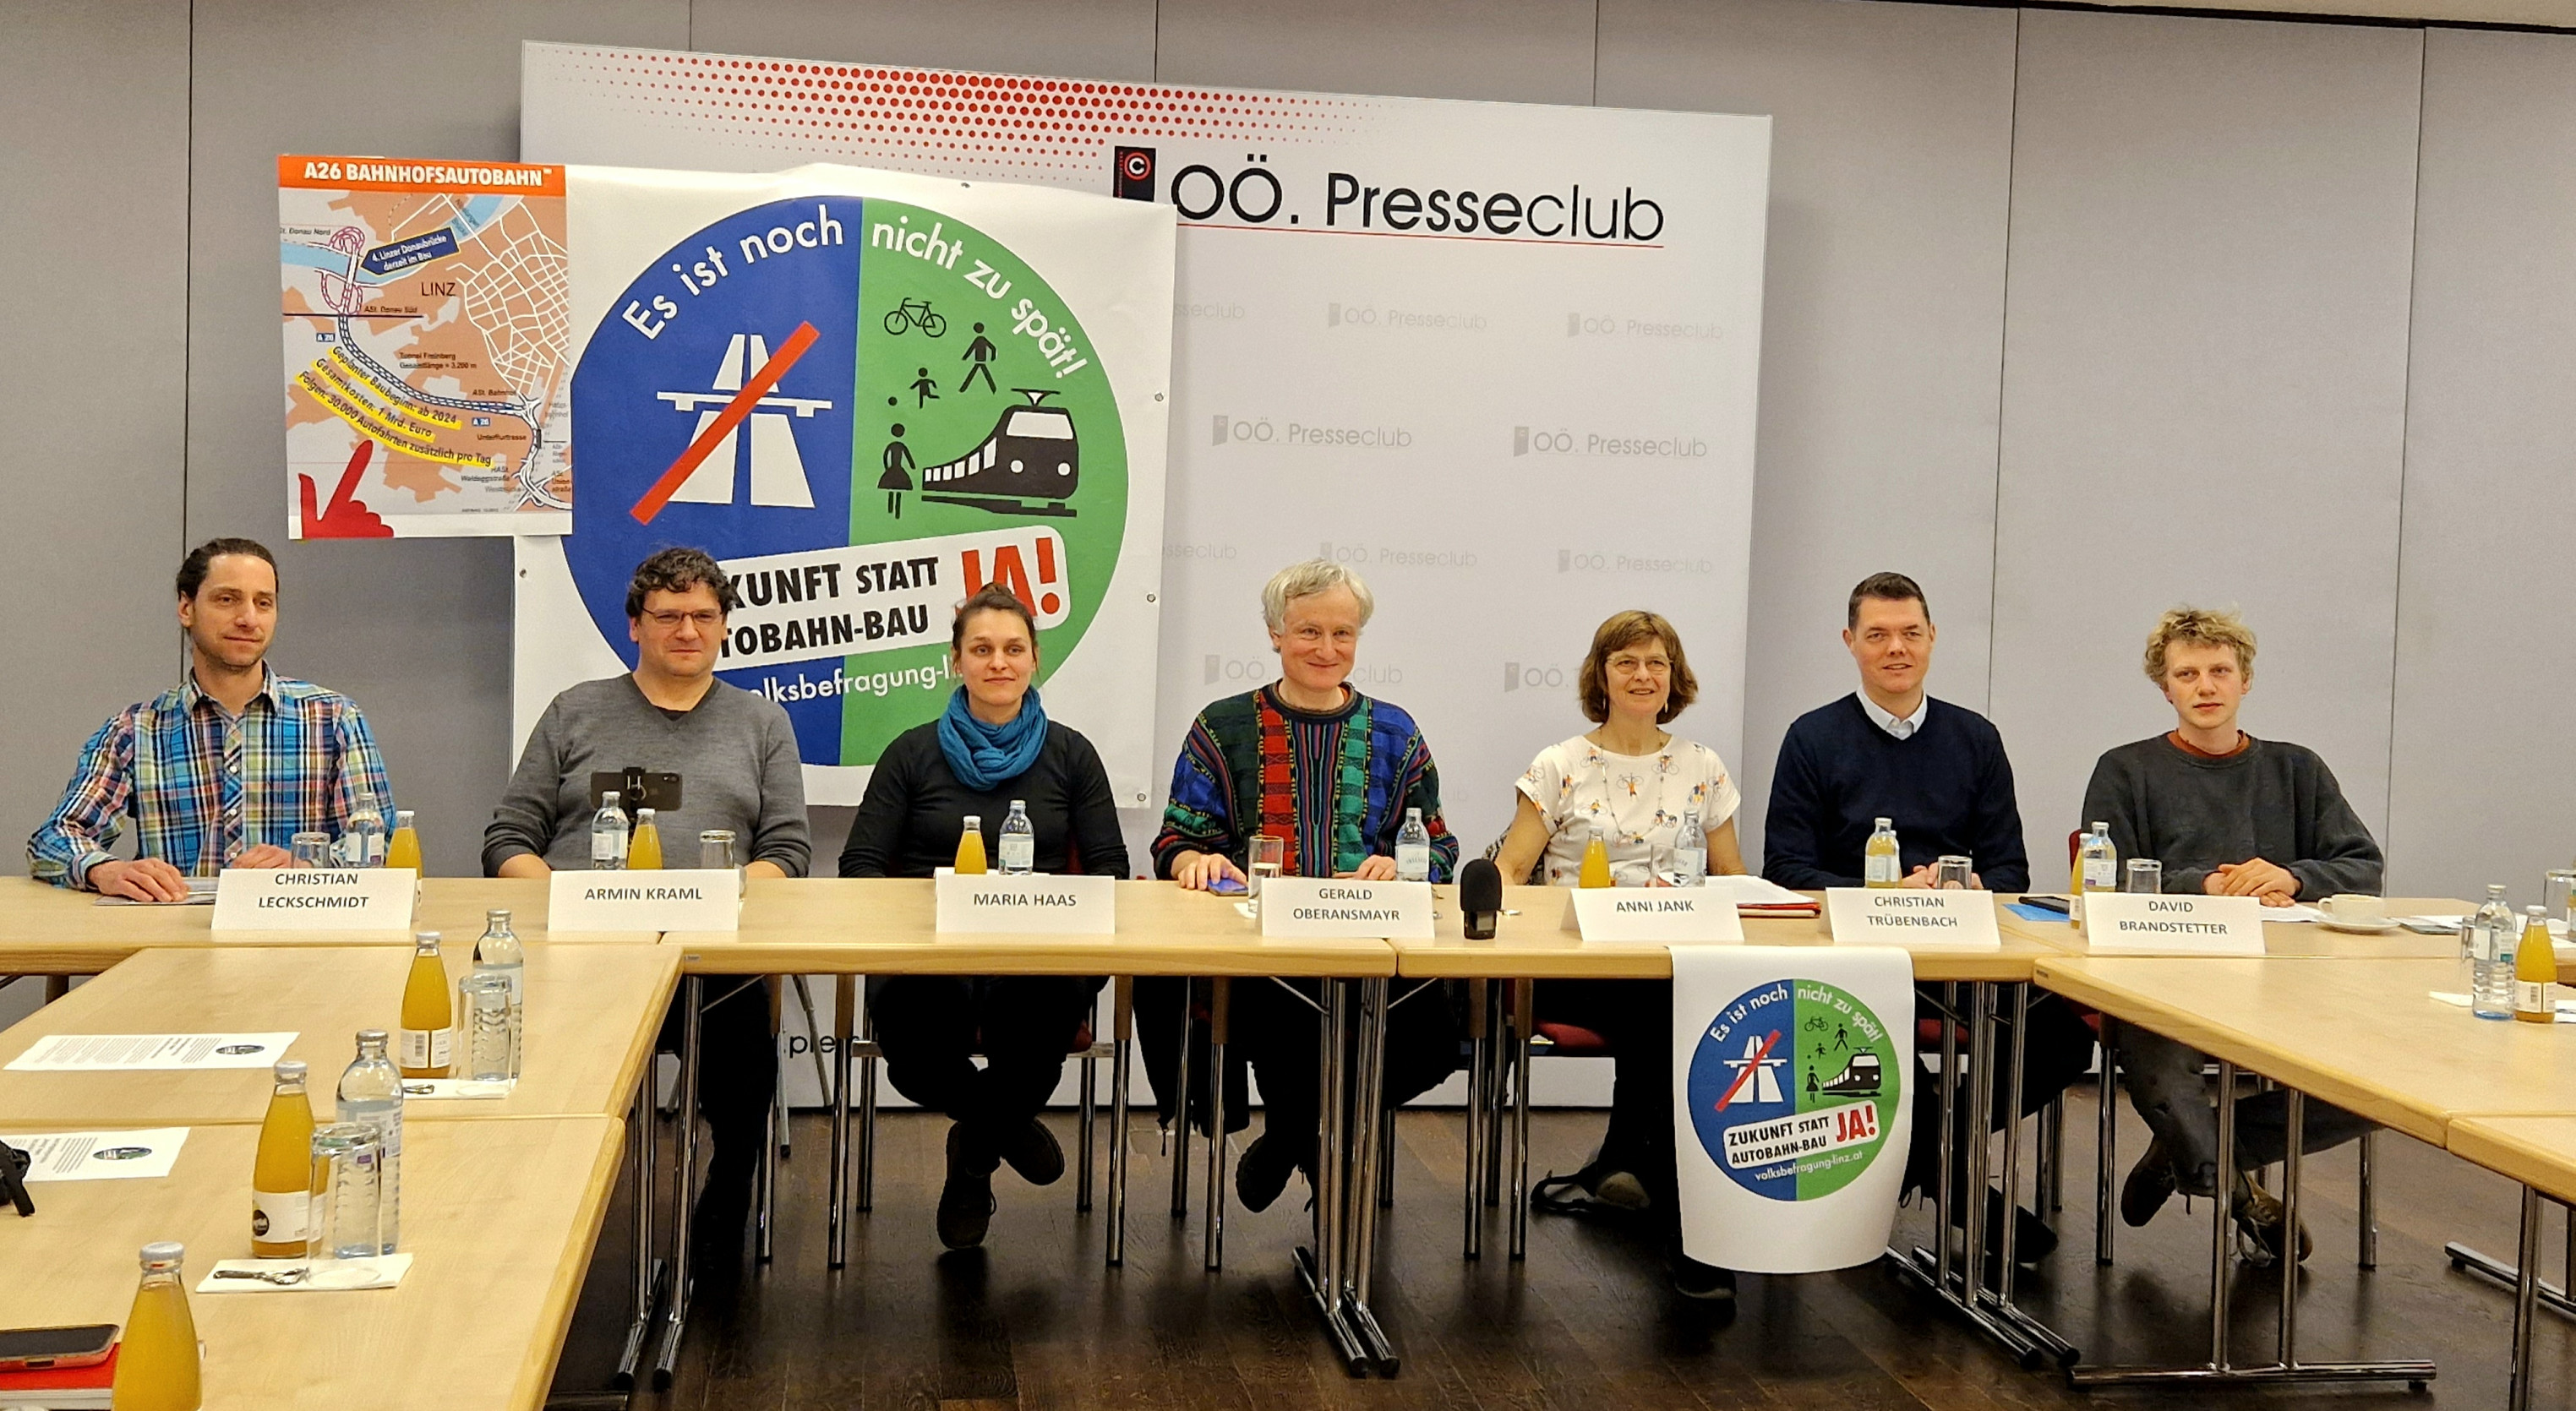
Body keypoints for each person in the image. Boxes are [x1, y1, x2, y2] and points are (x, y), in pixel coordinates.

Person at [483, 547, 810, 1270]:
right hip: (582, 954)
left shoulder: (762, 723)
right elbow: (508, 840)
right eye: (667, 616)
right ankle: (543, 1215)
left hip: (714, 957)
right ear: (635, 625)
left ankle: (725, 1202)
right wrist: (571, 902)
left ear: (724, 626)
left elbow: (788, 850)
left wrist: (720, 902)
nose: (686, 630)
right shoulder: (575, 711)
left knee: (742, 1064)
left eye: (702, 616)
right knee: (561, 1090)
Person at [1763, 572, 2093, 1264]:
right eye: (1877, 634)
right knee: (1879, 1046)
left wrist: (1968, 885)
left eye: (1911, 633)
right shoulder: (1813, 738)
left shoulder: (1974, 738)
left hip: (1962, 949)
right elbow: (1785, 869)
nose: (1896, 648)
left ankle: (1933, 1157)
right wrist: (1879, 894)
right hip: (1853, 953)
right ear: (1850, 642)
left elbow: (2013, 872)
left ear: (1933, 639)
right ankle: (1958, 1181)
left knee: (2064, 1038)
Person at [1152, 559, 1460, 1214]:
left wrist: (1406, 865)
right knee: (1288, 1023)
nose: (1327, 650)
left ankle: (1291, 1136)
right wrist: (1193, 864)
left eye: (1342, 634)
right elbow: (1177, 839)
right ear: (1274, 634)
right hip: (1264, 952)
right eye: (1309, 632)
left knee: (1437, 1038)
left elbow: (1440, 845)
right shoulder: (1222, 725)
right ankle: (1327, 1169)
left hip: (1376, 953)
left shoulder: (1397, 731)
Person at [2084, 606, 2380, 1261]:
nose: (2206, 686)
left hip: (2286, 980)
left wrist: (2295, 876)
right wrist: (2207, 885)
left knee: (2379, 1086)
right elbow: (2100, 882)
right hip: (2160, 980)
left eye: (2220, 671)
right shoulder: (2125, 770)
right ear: (2166, 688)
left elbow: (2365, 867)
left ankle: (2184, 1150)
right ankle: (2243, 1198)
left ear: (2246, 680)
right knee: (2160, 1075)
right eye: (2187, 674)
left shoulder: (2297, 769)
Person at [839, 583, 1130, 1250]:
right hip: (927, 954)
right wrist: (927, 914)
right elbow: (859, 867)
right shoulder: (911, 754)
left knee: (1034, 1039)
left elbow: (1112, 871)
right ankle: (1001, 1126)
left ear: (1035, 661)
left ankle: (971, 1158)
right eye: (981, 649)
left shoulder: (1072, 755)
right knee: (915, 1053)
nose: (998, 662)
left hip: (1038, 956)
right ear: (955, 661)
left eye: (1013, 649)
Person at [1493, 608, 1747, 1300]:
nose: (1643, 675)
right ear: (1601, 676)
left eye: (1656, 663)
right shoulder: (1560, 765)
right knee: (1669, 1014)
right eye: (1626, 662)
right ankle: (1690, 1228)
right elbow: (1513, 872)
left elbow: (1731, 877)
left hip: (1676, 963)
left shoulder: (1702, 766)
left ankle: (1626, 1164)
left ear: (1675, 678)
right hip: (1578, 966)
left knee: (1680, 1003)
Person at [30, 538, 394, 898]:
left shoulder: (332, 719)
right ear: (186, 608)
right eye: (227, 599)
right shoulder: (136, 731)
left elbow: (381, 842)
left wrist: (309, 864)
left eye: (263, 603)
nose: (248, 618)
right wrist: (106, 870)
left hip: (299, 936)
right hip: (175, 939)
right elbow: (52, 839)